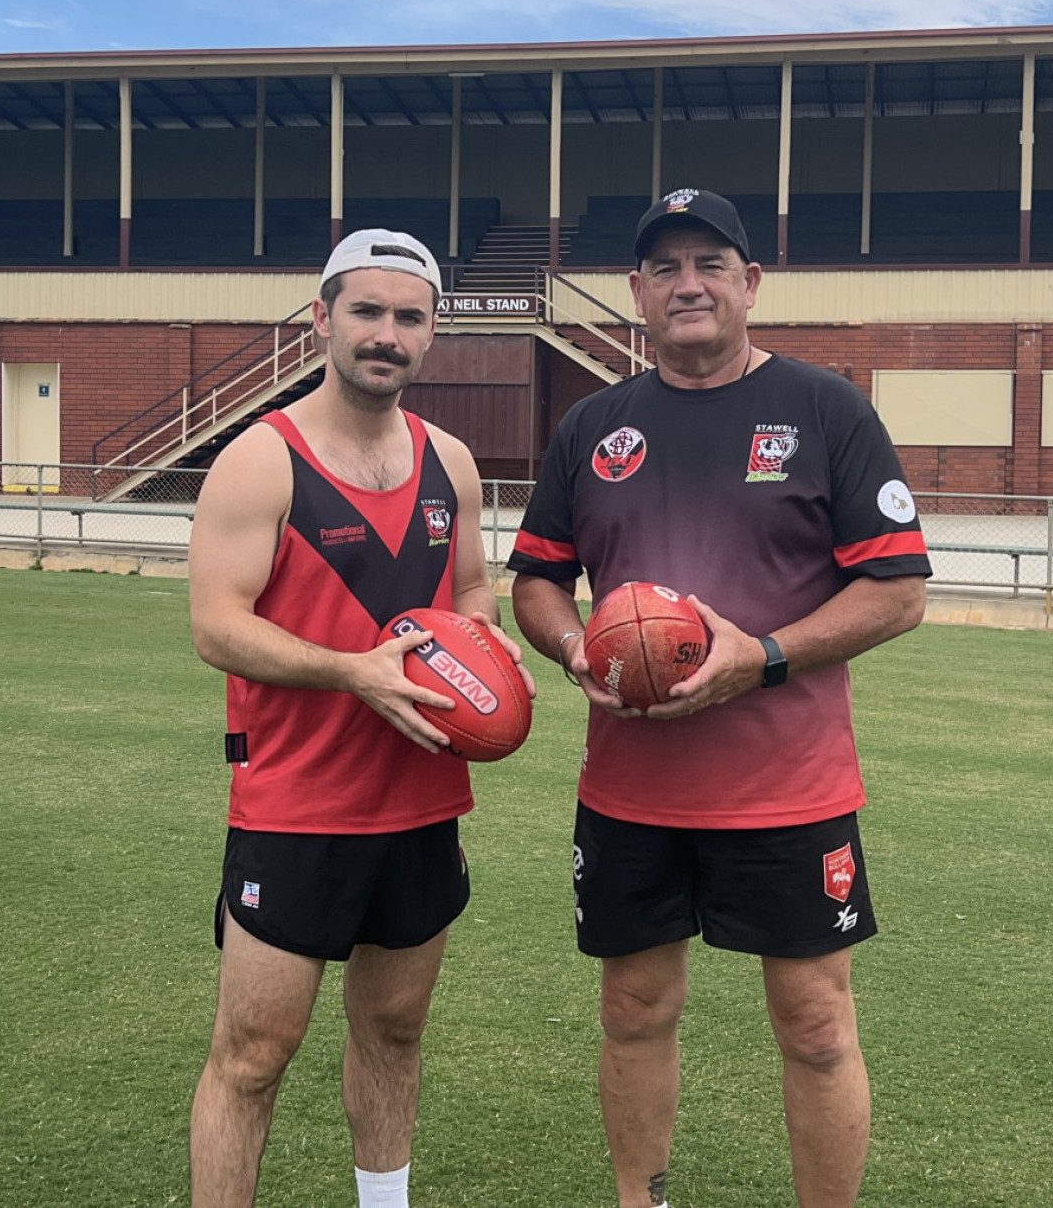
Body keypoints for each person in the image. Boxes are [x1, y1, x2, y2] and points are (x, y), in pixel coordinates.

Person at [508, 189, 931, 1208]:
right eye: (663, 267)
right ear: (635, 294)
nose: (686, 284)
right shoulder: (591, 426)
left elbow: (898, 592)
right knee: (634, 1006)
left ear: (749, 284)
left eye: (709, 263)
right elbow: (533, 579)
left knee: (816, 1023)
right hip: (629, 791)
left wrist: (765, 655)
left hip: (787, 788)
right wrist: (575, 650)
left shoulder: (827, 411)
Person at [186, 228, 532, 1208]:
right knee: (252, 1057)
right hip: (295, 808)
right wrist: (354, 673)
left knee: (393, 1033)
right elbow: (216, 625)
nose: (386, 334)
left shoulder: (451, 464)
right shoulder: (262, 460)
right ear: (322, 319)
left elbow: (470, 590)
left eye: (408, 317)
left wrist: (486, 646)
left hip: (421, 805)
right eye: (367, 312)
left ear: (433, 333)